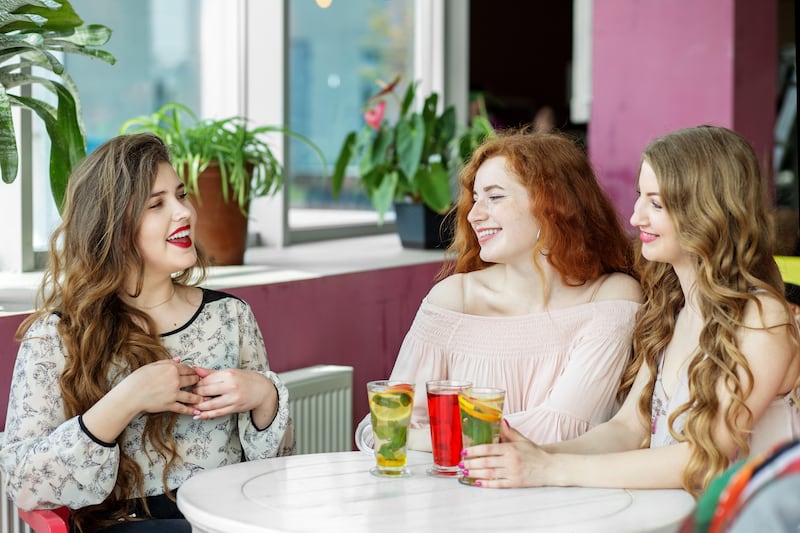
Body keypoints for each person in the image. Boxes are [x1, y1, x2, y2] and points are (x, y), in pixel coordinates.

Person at [460, 125, 800, 494]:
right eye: (640, 197)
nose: (636, 217)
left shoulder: (762, 319)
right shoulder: (672, 307)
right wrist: (538, 452)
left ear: (707, 211)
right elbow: (627, 428)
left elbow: (704, 459)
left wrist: (550, 468)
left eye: (656, 203)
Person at [0, 133, 294, 532]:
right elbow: (26, 484)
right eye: (157, 204)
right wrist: (127, 399)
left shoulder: (231, 317)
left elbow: (275, 476)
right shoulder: (56, 335)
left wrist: (264, 396)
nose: (184, 212)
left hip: (227, 518)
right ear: (113, 228)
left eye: (181, 194)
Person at [357, 129, 642, 451]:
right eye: (475, 199)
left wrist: (434, 436)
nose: (474, 215)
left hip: (558, 495)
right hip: (454, 492)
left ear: (554, 205)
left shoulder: (611, 298)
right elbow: (383, 428)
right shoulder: (454, 299)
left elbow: (559, 430)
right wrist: (467, 438)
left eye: (494, 197)